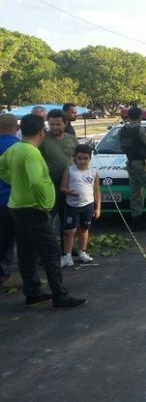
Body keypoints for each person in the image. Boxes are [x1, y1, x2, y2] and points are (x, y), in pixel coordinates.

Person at [0, 114, 86, 309]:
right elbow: (38, 181)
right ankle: (60, 296)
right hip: (33, 208)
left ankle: (32, 292)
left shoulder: (15, 148)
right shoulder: (31, 152)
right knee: (51, 252)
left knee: (26, 250)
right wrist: (46, 201)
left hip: (17, 206)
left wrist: (15, 182)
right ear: (41, 131)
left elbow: (1, 168)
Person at [40, 109, 79, 265]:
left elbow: (80, 159)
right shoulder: (43, 140)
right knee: (48, 221)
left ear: (65, 123)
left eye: (58, 124)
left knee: (69, 221)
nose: (55, 127)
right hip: (51, 187)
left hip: (70, 187)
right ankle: (45, 253)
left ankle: (68, 250)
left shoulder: (72, 139)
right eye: (52, 124)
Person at [60, 144, 99, 266]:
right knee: (69, 231)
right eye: (79, 158)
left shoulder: (93, 172)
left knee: (84, 229)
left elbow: (97, 191)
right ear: (74, 158)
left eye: (85, 158)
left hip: (88, 206)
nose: (82, 161)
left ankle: (82, 252)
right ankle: (67, 256)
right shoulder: (70, 170)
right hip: (72, 206)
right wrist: (68, 192)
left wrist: (98, 208)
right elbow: (62, 187)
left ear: (90, 159)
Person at [0, 114, 19, 286]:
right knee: (8, 240)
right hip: (11, 200)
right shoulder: (17, 147)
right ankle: (4, 275)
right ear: (17, 128)